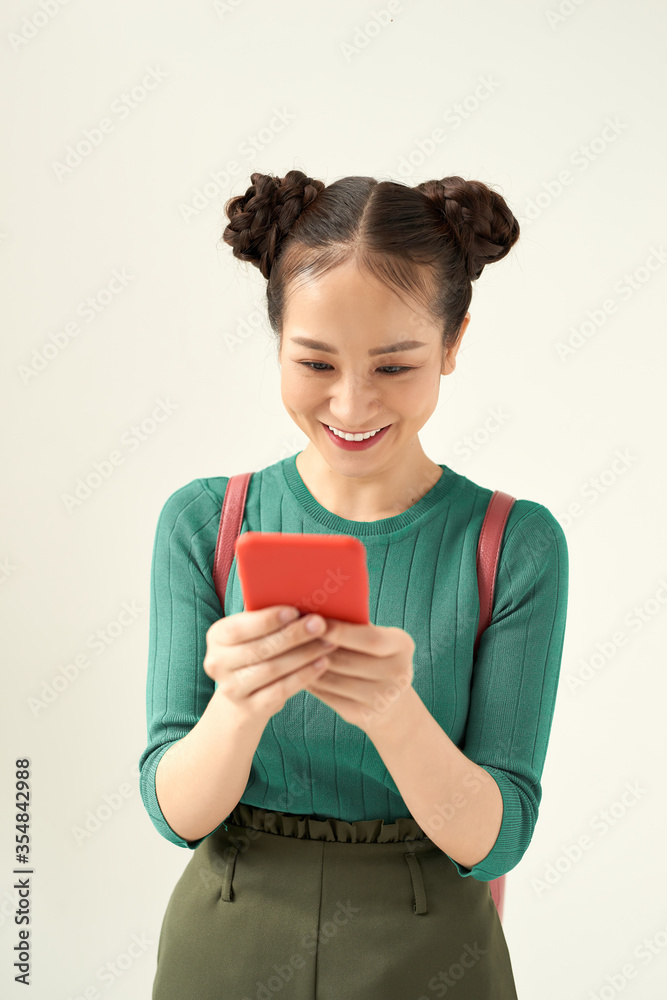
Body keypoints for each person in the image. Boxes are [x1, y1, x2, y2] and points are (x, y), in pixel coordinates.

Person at [138, 170, 569, 999]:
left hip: (433, 950)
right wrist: (238, 705)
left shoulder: (513, 545)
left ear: (452, 344)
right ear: (277, 342)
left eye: (395, 366)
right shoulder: (204, 523)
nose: (350, 401)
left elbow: (499, 838)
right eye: (315, 361)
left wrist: (391, 712)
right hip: (226, 940)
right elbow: (174, 814)